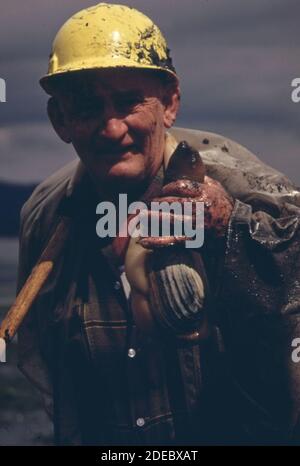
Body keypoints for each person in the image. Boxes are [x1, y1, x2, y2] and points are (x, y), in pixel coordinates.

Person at [17, 3, 300, 445]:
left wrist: (233, 231)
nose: (112, 129)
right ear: (60, 121)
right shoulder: (43, 218)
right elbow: (46, 372)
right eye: (88, 106)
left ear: (169, 104)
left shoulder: (257, 200)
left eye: (130, 101)